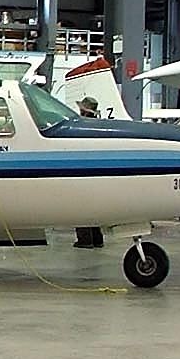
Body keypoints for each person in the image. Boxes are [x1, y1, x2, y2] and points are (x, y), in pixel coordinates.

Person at [74, 96, 105, 248]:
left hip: (82, 168)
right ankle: (97, 239)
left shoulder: (82, 125)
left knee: (80, 208)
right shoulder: (97, 124)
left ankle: (85, 240)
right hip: (96, 169)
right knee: (93, 208)